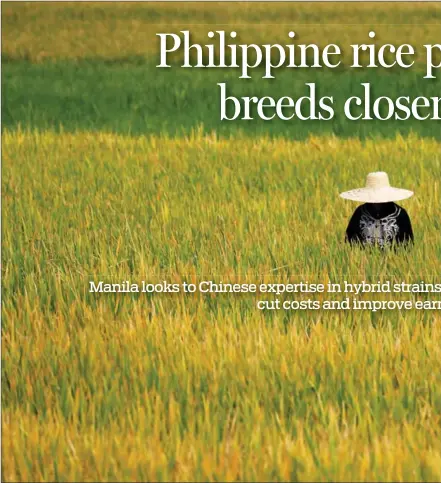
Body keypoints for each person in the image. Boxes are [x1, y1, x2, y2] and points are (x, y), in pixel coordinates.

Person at [340, 171, 414, 248]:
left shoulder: (400, 214)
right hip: (362, 259)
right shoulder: (360, 212)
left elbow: (407, 245)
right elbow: (349, 241)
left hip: (392, 259)